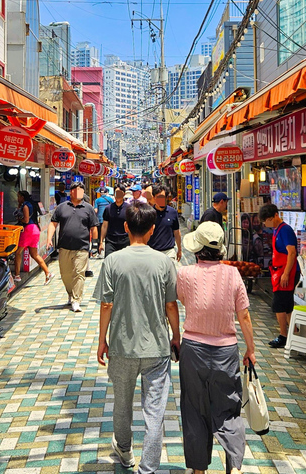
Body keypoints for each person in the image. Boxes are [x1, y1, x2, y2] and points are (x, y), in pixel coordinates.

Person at [94, 202, 180, 474]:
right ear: (153, 230)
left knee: (122, 404)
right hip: (157, 347)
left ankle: (125, 451)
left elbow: (106, 305)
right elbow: (170, 306)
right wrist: (176, 336)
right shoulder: (164, 262)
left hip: (121, 346)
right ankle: (149, 466)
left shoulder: (112, 261)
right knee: (154, 412)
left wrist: (101, 340)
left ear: (127, 227)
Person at [176, 222, 255, 474]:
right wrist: (250, 349)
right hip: (226, 351)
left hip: (193, 350)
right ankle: (234, 467)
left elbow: (182, 301)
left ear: (197, 248)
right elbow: (244, 316)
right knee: (229, 409)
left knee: (194, 409)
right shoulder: (233, 274)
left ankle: (199, 469)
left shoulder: (185, 274)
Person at [47, 181, 98, 312]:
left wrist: (95, 245)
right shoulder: (62, 207)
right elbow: (53, 224)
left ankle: (76, 300)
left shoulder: (88, 208)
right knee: (65, 274)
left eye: (80, 190)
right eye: (75, 190)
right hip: (64, 247)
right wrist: (49, 239)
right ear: (71, 192)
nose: (78, 193)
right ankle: (70, 293)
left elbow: (93, 227)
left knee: (79, 274)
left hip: (82, 247)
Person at [259, 204, 300, 348]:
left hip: (286, 273)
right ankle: (294, 335)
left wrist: (286, 274)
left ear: (276, 215)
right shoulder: (277, 230)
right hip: (279, 272)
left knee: (279, 305)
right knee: (287, 306)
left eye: (268, 219)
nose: (267, 223)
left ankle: (283, 336)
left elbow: (292, 253)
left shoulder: (285, 230)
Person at [15, 191, 54, 285]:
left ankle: (17, 275)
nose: (17, 198)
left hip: (28, 230)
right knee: (34, 254)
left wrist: (19, 219)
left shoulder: (25, 206)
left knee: (18, 252)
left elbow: (26, 220)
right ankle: (48, 273)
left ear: (22, 197)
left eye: (18, 197)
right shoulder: (31, 204)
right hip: (35, 229)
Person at [147, 185, 182, 264]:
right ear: (154, 198)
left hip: (169, 252)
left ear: (166, 198)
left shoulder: (173, 212)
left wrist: (179, 249)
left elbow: (176, 232)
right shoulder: (149, 213)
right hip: (152, 251)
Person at [99, 184, 130, 257]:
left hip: (125, 241)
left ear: (124, 194)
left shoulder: (129, 208)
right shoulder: (108, 208)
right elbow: (104, 226)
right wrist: (101, 242)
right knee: (109, 263)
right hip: (111, 241)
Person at [94, 188, 115, 253]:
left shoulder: (97, 200)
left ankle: (99, 250)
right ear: (106, 192)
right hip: (109, 220)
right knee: (108, 236)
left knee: (99, 235)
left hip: (100, 220)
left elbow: (95, 210)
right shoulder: (110, 199)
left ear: (100, 193)